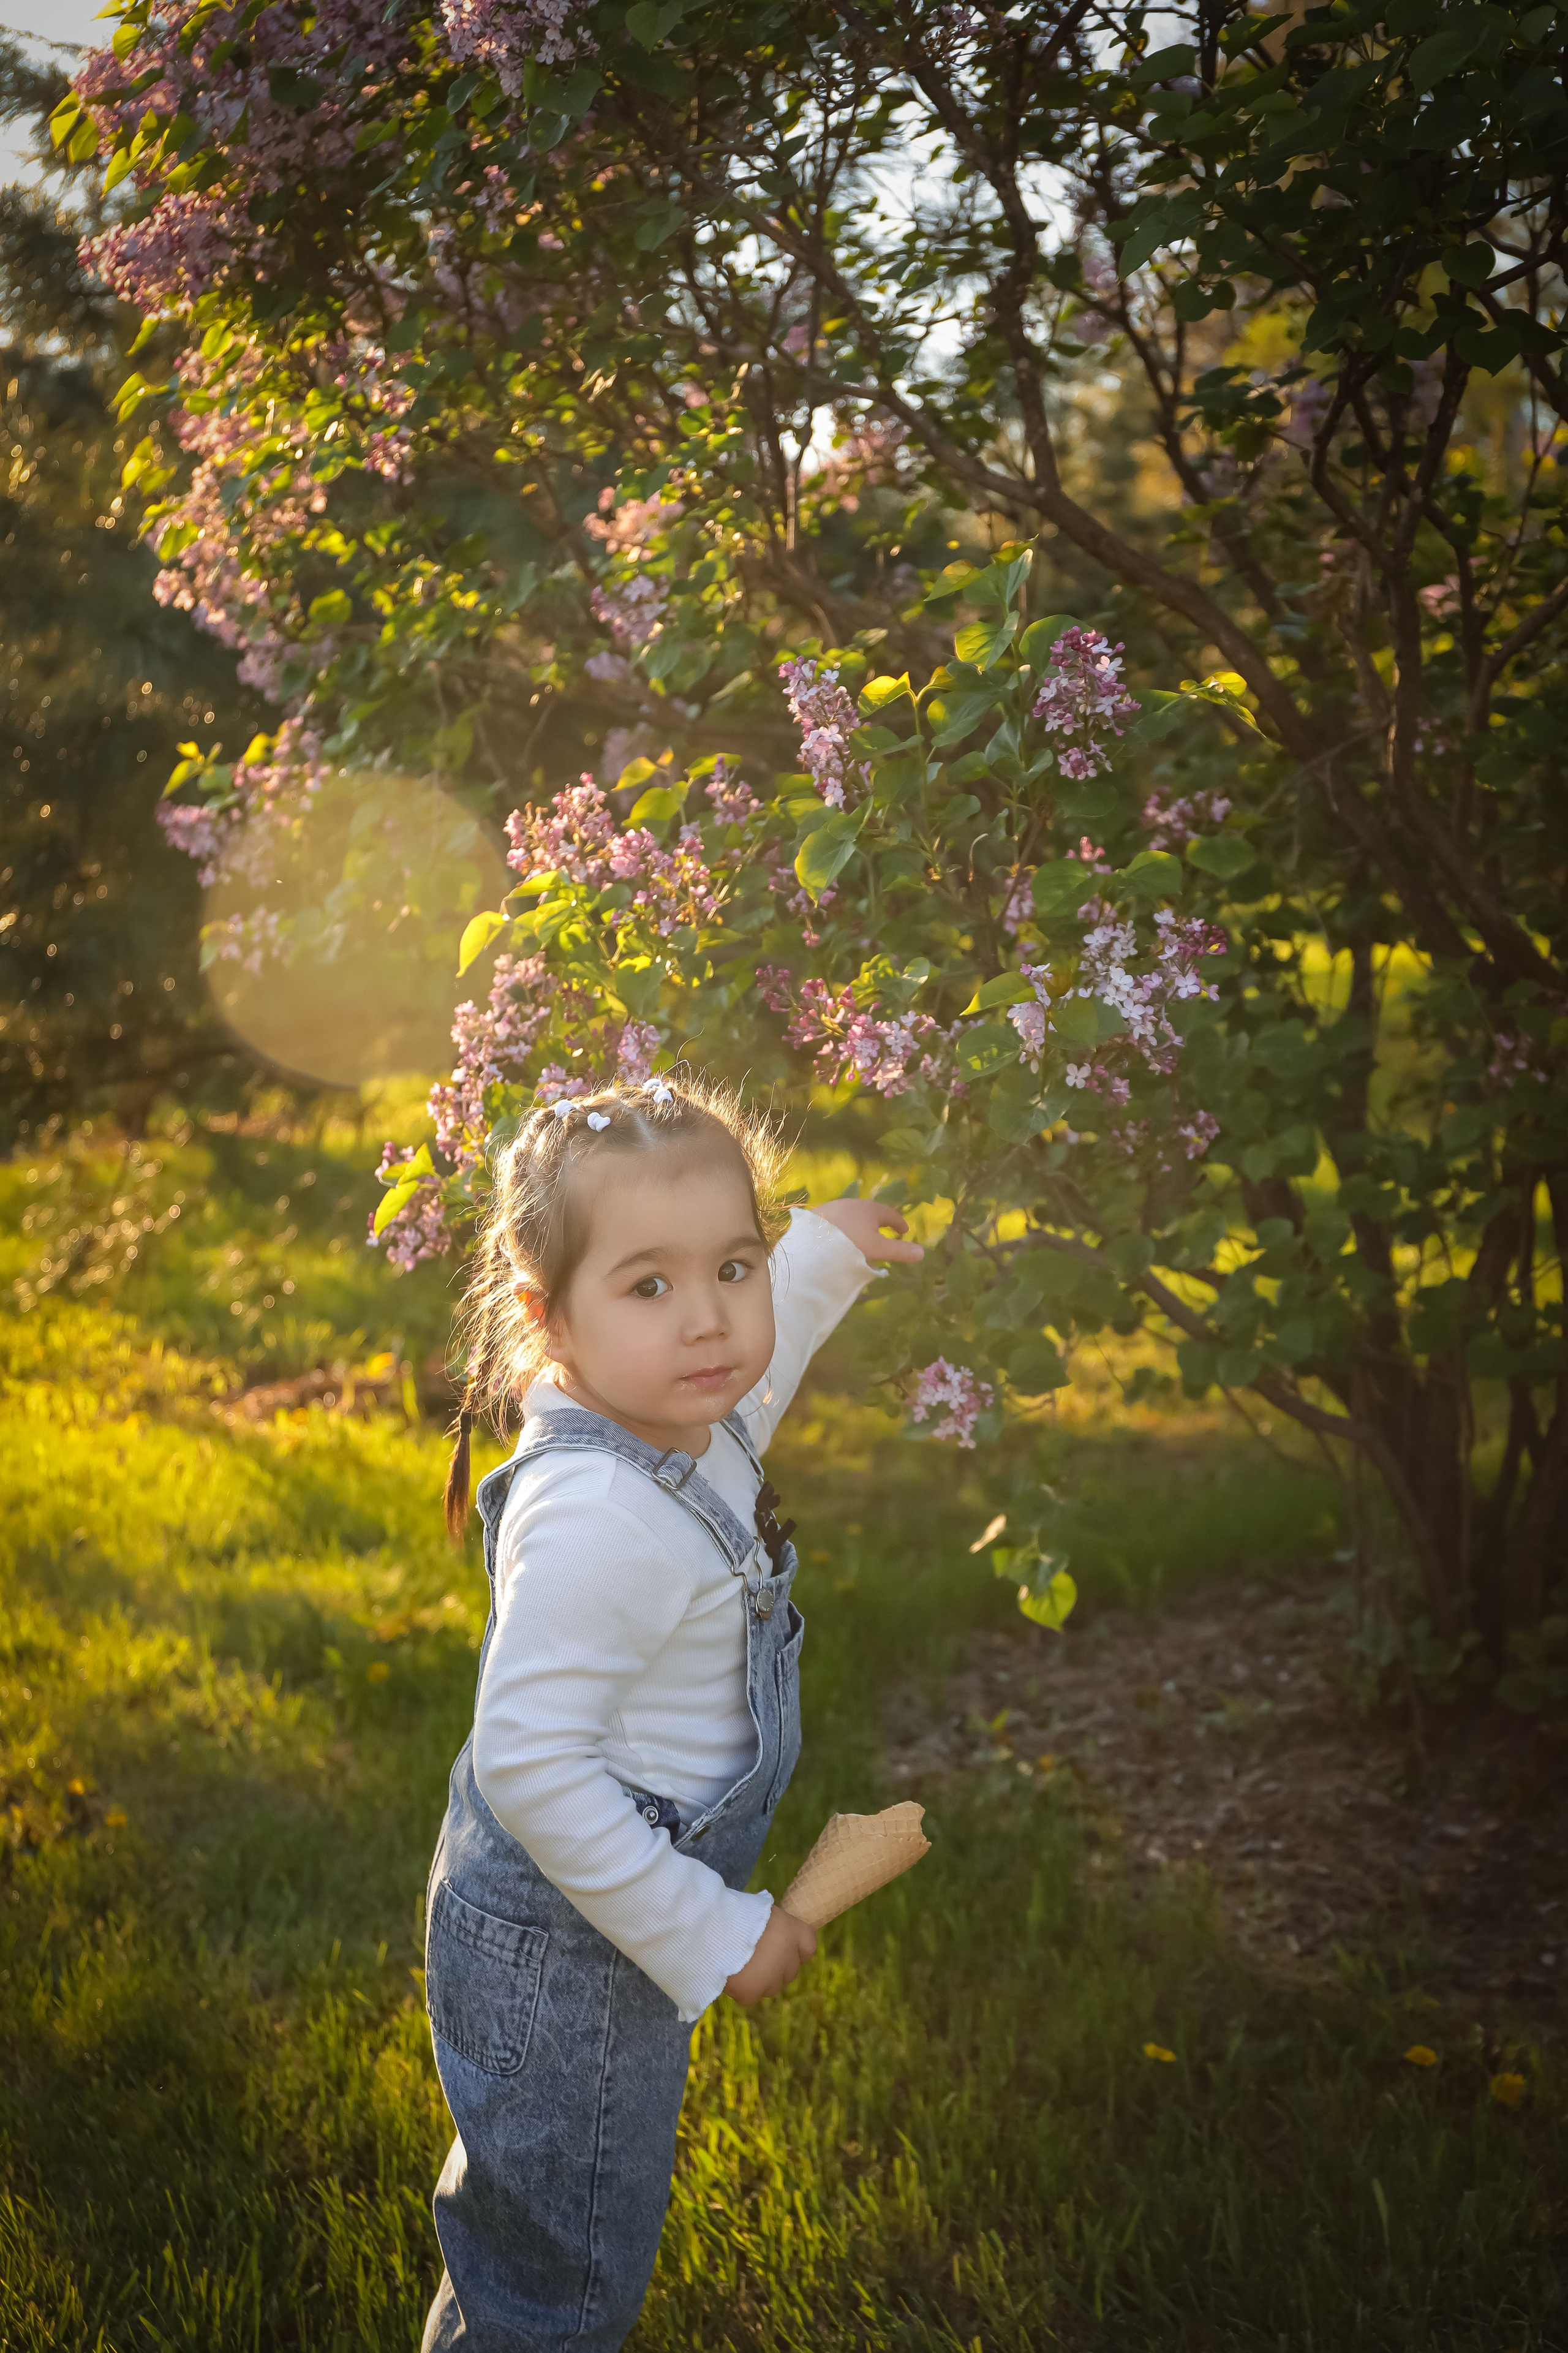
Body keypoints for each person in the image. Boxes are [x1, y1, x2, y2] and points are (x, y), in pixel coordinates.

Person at [420, 1069, 924, 2351]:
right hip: (572, 1944)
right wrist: (712, 1933)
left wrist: (824, 1252)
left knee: (537, 2234)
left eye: (734, 1268)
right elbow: (532, 1762)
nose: (708, 1321)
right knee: (559, 2277)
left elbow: (762, 1372)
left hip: (598, 1904)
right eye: (648, 1285)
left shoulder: (680, 1410)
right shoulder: (598, 1514)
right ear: (546, 1316)